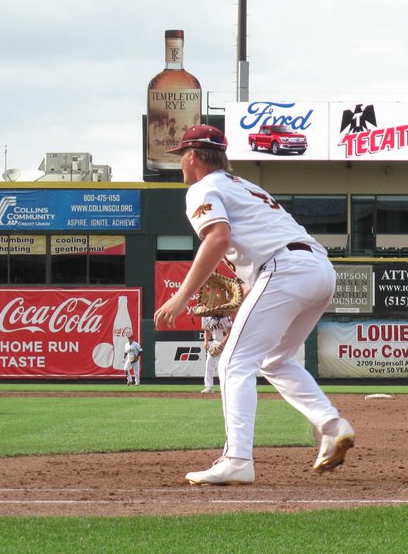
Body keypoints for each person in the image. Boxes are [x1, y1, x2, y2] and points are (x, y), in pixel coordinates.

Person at [151, 124, 354, 485]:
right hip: (319, 270)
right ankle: (331, 425)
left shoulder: (203, 187)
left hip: (284, 269)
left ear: (193, 156)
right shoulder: (245, 186)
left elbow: (217, 238)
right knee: (274, 360)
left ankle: (237, 460)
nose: (181, 162)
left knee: (233, 363)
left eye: (182, 155)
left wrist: (181, 296)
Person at [200, 313, 233, 394]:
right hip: (216, 342)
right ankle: (208, 387)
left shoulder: (223, 313)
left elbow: (231, 330)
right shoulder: (205, 315)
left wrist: (223, 343)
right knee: (209, 362)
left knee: (227, 365)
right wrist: (206, 342)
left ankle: (230, 387)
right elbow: (207, 330)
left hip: (228, 342)